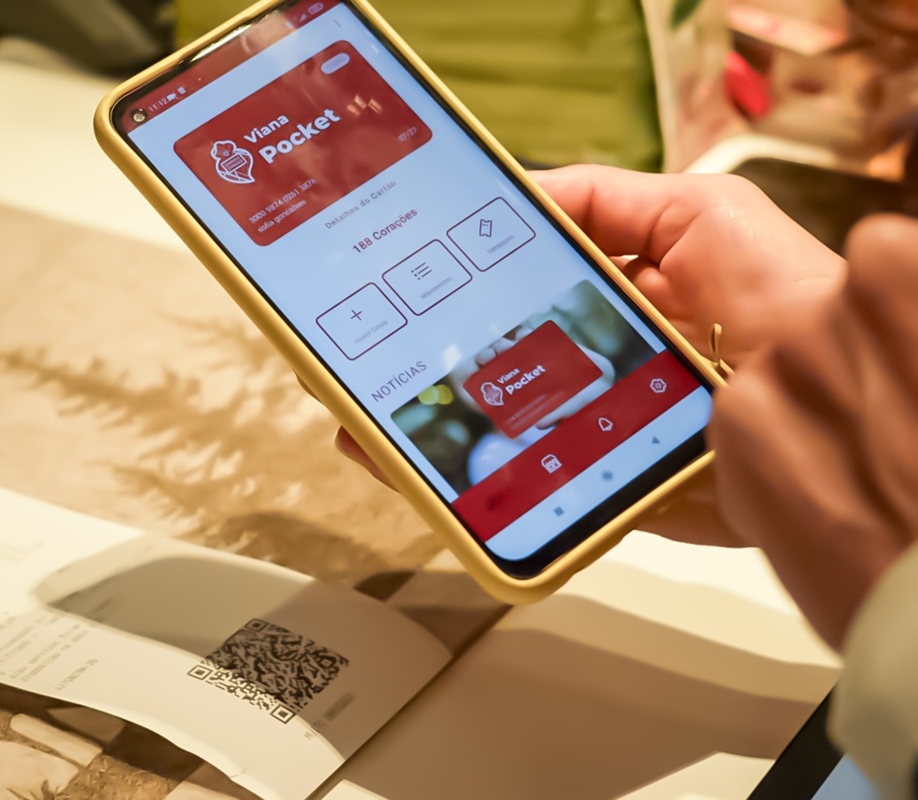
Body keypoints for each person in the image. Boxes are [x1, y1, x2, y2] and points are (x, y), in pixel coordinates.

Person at [333, 164, 918, 799]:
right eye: (477, 361)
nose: (503, 353)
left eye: (515, 336)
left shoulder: (602, 374)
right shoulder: (492, 455)